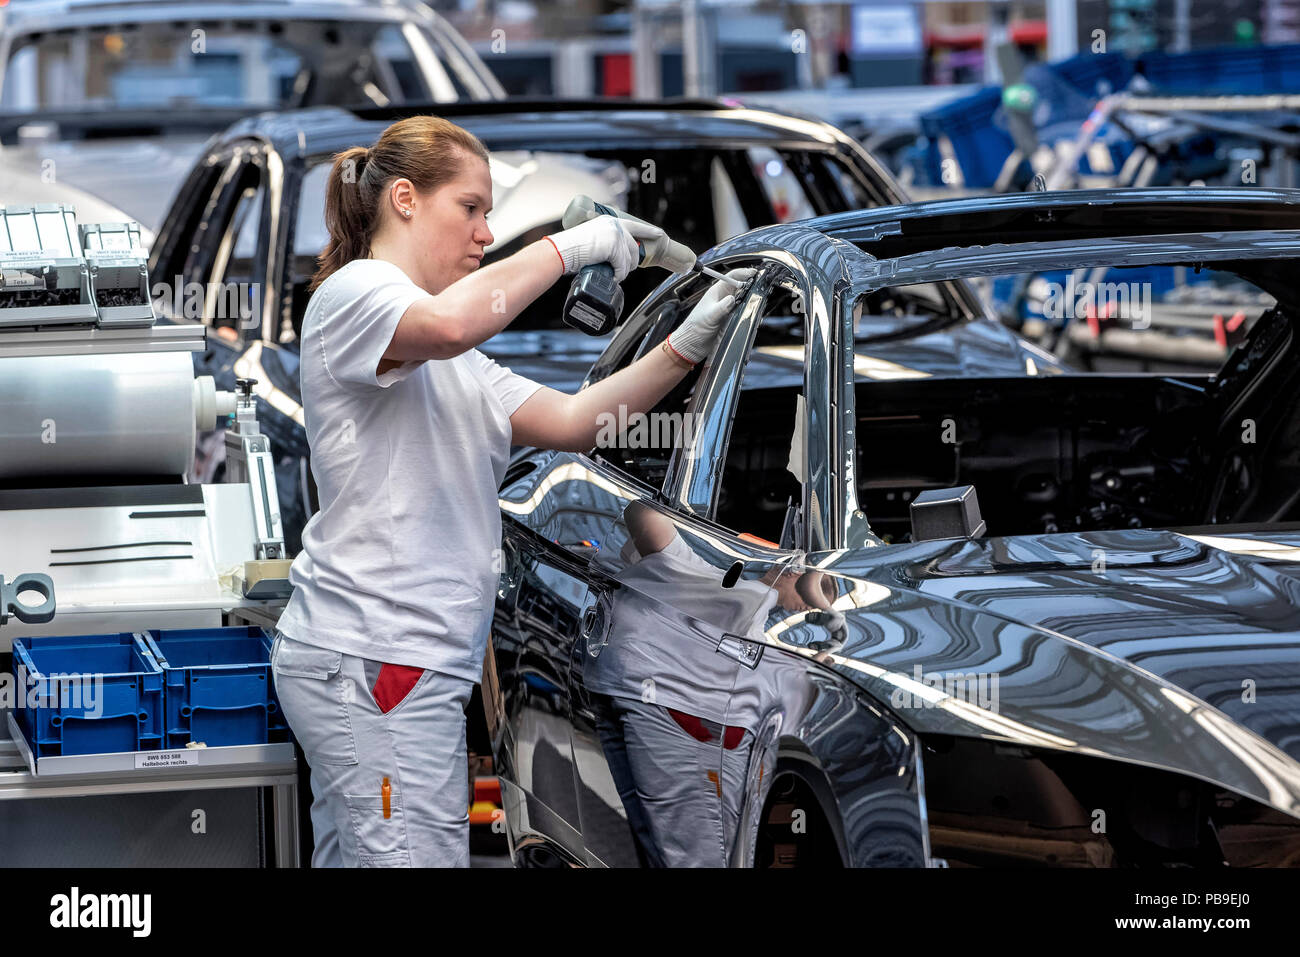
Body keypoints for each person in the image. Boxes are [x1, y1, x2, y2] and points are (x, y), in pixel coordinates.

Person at [267, 113, 753, 867]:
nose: (486, 232)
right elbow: (457, 322)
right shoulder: (358, 294)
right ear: (403, 199)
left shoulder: (453, 362)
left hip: (389, 663)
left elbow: (576, 421)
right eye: (471, 208)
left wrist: (687, 344)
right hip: (378, 660)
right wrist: (571, 247)